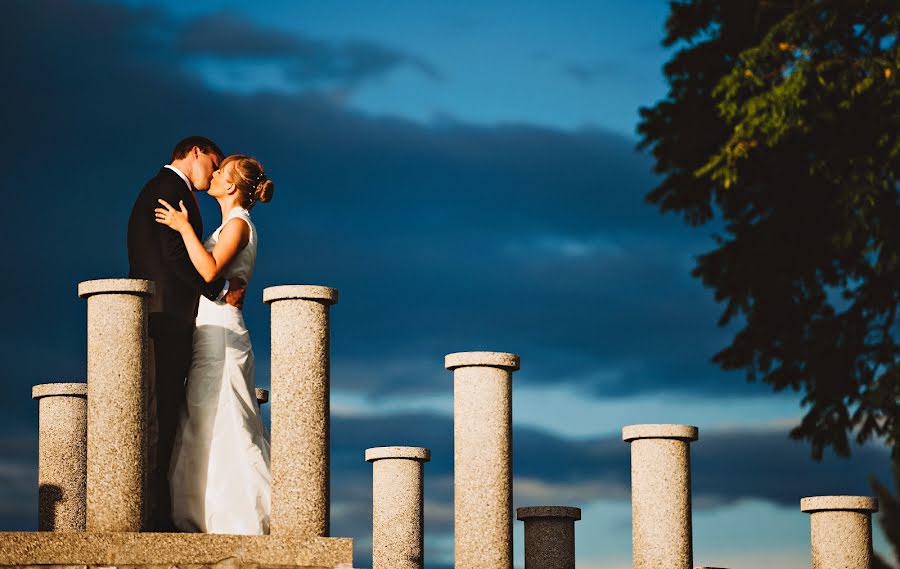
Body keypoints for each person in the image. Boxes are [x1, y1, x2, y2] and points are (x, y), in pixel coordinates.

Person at [127, 136, 246, 531]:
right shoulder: (167, 188)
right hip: (166, 319)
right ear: (195, 152)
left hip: (178, 320)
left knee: (171, 410)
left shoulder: (174, 190)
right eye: (212, 163)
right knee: (161, 411)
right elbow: (174, 257)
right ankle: (157, 512)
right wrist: (219, 291)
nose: (214, 172)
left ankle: (164, 507)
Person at [154, 154, 273, 534]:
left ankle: (242, 516)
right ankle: (201, 513)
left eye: (220, 172)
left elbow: (207, 269)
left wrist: (183, 227)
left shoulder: (238, 224)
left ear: (232, 186)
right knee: (202, 414)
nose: (214, 175)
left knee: (228, 414)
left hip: (223, 332)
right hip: (209, 327)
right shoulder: (229, 224)